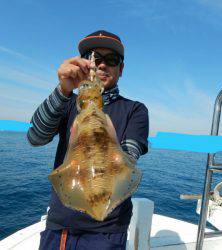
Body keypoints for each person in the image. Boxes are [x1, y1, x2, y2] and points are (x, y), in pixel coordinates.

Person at [27, 30, 149, 250]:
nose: (102, 65)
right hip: (61, 226)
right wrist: (63, 89)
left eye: (111, 60)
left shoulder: (135, 110)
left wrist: (106, 136)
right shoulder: (65, 102)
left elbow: (129, 158)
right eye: (94, 58)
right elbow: (35, 137)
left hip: (106, 231)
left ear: (120, 69)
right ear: (82, 64)